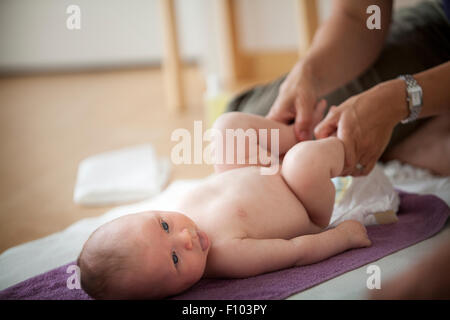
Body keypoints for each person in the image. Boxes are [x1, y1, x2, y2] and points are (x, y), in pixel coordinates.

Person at [77, 112, 372, 299]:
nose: (185, 238)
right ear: (170, 293)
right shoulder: (228, 256)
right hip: (303, 198)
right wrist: (342, 237)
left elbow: (228, 182)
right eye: (175, 259)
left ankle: (299, 133)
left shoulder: (181, 209)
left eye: (164, 225)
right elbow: (296, 252)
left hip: (264, 170)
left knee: (226, 128)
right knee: (304, 163)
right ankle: (352, 146)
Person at [227, 0, 450, 177]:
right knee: (240, 131)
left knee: (313, 155)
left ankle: (407, 140)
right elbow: (359, 15)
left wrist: (399, 100)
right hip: (442, 25)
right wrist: (308, 73)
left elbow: (319, 221)